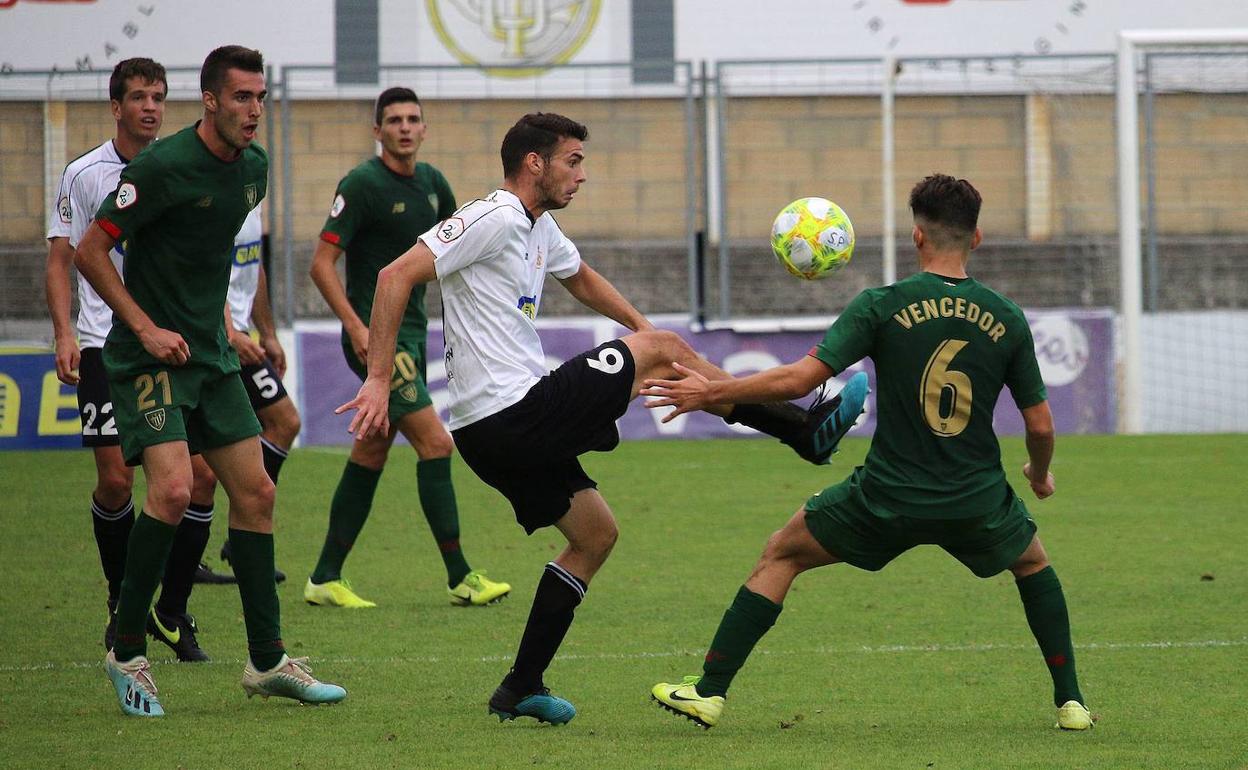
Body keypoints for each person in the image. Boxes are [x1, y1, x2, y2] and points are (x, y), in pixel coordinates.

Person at [337, 112, 865, 725]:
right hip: (514, 414)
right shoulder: (491, 217)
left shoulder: (540, 227)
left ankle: (520, 686)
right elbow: (393, 275)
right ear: (534, 162)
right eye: (574, 160)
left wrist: (645, 333)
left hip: (495, 433)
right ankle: (802, 430)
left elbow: (581, 279)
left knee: (594, 535)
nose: (582, 174)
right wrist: (378, 378)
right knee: (664, 353)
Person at [646, 174, 1092, 732]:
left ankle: (709, 693)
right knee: (1032, 564)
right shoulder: (1006, 315)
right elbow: (1041, 423)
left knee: (781, 554)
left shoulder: (882, 305)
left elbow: (799, 380)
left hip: (886, 497)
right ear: (976, 238)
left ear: (916, 237)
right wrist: (1039, 474)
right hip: (974, 497)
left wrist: (715, 391)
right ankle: (1071, 703)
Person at [74, 45, 345, 717]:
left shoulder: (253, 170)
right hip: (147, 360)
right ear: (213, 102)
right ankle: (126, 649)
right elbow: (90, 250)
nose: (256, 109)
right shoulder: (162, 167)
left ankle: (267, 660)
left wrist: (235, 326)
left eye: (261, 96)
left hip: (213, 357)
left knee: (255, 493)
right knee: (168, 491)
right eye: (244, 97)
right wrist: (142, 328)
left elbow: (218, 259)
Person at [45, 56, 226, 663]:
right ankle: (121, 606)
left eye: (158, 96)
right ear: (116, 106)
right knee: (117, 481)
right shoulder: (84, 174)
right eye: (139, 97)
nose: (150, 106)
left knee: (198, 480)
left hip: (174, 345)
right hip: (106, 344)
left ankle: (171, 610)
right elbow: (61, 258)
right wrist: (64, 331)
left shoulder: (177, 166)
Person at [307, 87, 510, 609]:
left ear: (424, 129)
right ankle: (460, 575)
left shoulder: (435, 185)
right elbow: (321, 265)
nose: (403, 127)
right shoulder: (362, 184)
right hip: (378, 341)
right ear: (377, 131)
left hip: (414, 335)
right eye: (393, 120)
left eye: (412, 119)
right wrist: (355, 325)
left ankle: (325, 576)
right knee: (436, 444)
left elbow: (452, 256)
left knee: (371, 449)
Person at [193, 205, 294, 585]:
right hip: (215, 338)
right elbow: (204, 269)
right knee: (200, 472)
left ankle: (243, 529)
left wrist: (266, 331)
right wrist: (232, 331)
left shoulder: (253, 196)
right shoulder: (212, 199)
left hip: (242, 336)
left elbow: (254, 270)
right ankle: (193, 556)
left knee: (284, 421)